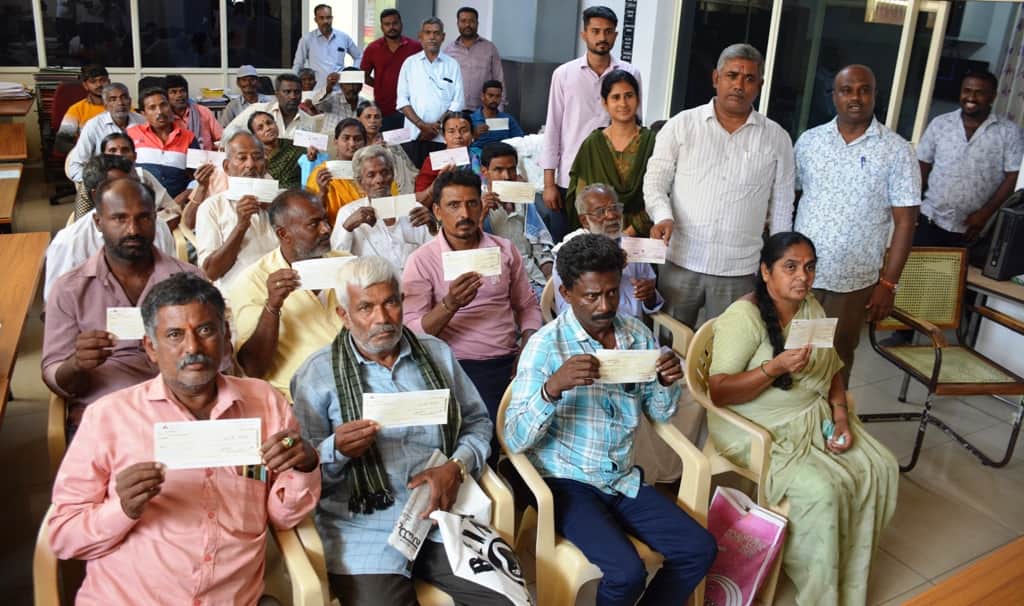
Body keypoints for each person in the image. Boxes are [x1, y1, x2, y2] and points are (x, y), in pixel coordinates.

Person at [48, 272, 321, 605]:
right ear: (151, 347)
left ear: (226, 335)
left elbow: (283, 516)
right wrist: (122, 509)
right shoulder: (109, 417)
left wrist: (304, 466)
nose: (192, 348)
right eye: (175, 335)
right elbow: (63, 535)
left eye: (205, 330)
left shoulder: (263, 402)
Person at [505, 233, 716, 606]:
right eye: (591, 296)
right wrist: (552, 389)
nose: (605, 306)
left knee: (699, 549)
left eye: (613, 293)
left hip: (620, 477)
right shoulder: (546, 346)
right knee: (626, 573)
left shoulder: (635, 335)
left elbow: (659, 413)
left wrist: (665, 383)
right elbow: (514, 438)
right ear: (566, 293)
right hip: (567, 480)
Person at [291, 255, 504, 606]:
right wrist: (335, 450)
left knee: (508, 599)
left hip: (441, 512)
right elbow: (304, 478)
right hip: (363, 525)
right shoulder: (317, 374)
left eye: (390, 303)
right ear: (344, 315)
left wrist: (456, 467)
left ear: (403, 302)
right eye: (365, 307)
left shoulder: (436, 354)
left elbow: (477, 422)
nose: (382, 318)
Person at [707, 231, 898, 606]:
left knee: (881, 466)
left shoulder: (810, 306)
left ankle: (846, 572)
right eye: (790, 267)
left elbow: (832, 367)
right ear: (766, 271)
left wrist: (840, 414)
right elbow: (719, 392)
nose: (802, 277)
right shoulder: (743, 317)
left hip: (812, 415)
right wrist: (774, 368)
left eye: (809, 268)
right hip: (755, 428)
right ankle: (820, 593)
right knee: (823, 491)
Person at [643, 43, 794, 329]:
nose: (739, 85)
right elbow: (655, 181)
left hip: (739, 269)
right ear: (716, 78)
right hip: (682, 260)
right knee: (669, 343)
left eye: (749, 79)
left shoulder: (777, 138)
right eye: (732, 75)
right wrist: (662, 215)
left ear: (760, 85)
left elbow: (783, 204)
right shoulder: (681, 125)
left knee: (727, 346)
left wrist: (776, 261)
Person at [41, 178, 208, 430]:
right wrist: (76, 364)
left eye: (143, 218)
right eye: (119, 218)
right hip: (111, 419)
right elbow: (54, 374)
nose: (133, 230)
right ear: (98, 222)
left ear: (155, 219)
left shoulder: (192, 281)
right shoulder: (69, 290)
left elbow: (220, 361)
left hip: (185, 414)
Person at [793, 64, 920, 386]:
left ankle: (830, 416)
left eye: (864, 90)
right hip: (801, 275)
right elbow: (789, 199)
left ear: (875, 95)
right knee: (793, 354)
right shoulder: (809, 142)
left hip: (852, 283)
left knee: (835, 360)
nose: (855, 97)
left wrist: (888, 284)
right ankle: (790, 415)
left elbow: (906, 223)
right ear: (834, 95)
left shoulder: (897, 151)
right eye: (846, 90)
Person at [402, 168, 542, 430]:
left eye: (472, 204)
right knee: (493, 425)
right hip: (457, 365)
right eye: (453, 205)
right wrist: (449, 305)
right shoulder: (421, 261)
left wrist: (529, 345)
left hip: (511, 358)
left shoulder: (504, 249)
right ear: (437, 211)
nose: (464, 214)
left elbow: (527, 305)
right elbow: (411, 331)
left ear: (481, 206)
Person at [229, 190, 343, 401]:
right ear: (283, 234)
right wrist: (272, 306)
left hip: (360, 384)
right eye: (314, 224)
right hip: (300, 399)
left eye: (325, 220)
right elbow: (253, 369)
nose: (326, 229)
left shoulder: (346, 263)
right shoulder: (252, 281)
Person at [541, 6, 641, 242]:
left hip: (615, 178)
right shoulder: (564, 74)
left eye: (608, 31)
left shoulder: (630, 73)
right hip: (570, 178)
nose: (602, 37)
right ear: (584, 34)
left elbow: (635, 123)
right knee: (570, 245)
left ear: (616, 35)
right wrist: (549, 183)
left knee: (612, 246)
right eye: (595, 31)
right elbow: (553, 128)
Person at [44, 154, 177, 302]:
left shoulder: (158, 226)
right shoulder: (68, 243)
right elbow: (56, 304)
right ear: (96, 195)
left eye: (135, 184)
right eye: (119, 188)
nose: (131, 193)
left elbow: (172, 281)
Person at [917, 71, 1024, 246]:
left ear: (992, 96)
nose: (971, 97)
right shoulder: (940, 124)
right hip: (930, 218)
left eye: (979, 92)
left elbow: (1013, 177)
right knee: (917, 264)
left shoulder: (1009, 132)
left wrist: (985, 214)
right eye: (966, 90)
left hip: (973, 228)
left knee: (961, 265)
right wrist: (913, 206)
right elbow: (922, 165)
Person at [553, 184, 662, 319]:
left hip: (633, 327)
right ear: (584, 220)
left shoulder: (633, 246)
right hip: (589, 326)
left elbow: (652, 304)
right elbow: (565, 309)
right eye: (600, 211)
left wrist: (649, 296)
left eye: (615, 208)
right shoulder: (569, 252)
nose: (611, 216)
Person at [566, 70, 654, 235]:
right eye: (616, 97)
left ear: (638, 99)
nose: (623, 103)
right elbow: (581, 197)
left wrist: (630, 232)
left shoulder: (653, 143)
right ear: (605, 103)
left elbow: (662, 193)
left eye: (629, 96)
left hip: (643, 235)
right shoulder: (593, 144)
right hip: (598, 234)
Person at [195, 131, 279, 290]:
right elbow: (211, 272)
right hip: (237, 293)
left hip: (284, 289)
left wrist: (275, 212)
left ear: (266, 165)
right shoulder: (212, 207)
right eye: (242, 158)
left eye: (257, 157)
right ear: (227, 167)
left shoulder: (283, 201)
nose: (250, 165)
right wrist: (241, 226)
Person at [331, 145, 434, 270]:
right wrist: (347, 227)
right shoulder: (348, 213)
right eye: (371, 175)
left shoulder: (414, 208)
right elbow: (337, 263)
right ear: (360, 182)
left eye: (384, 173)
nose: (379, 179)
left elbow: (434, 255)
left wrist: (433, 228)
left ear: (393, 175)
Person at [479, 141, 553, 299]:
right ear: (484, 172)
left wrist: (551, 281)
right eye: (498, 170)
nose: (507, 177)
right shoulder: (475, 204)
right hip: (499, 285)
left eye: (511, 169)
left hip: (533, 279)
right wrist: (481, 214)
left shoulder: (523, 200)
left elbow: (540, 247)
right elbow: (469, 250)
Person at [396, 17, 464, 167]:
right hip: (414, 135)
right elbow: (402, 100)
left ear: (443, 37)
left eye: (436, 33)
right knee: (414, 176)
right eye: (428, 33)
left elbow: (457, 102)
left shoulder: (452, 65)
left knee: (442, 176)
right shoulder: (409, 63)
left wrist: (437, 126)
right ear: (420, 36)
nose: (432, 37)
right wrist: (421, 125)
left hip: (443, 138)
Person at [306, 118, 384, 225]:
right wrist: (322, 192)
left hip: (374, 229)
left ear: (365, 143)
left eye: (357, 139)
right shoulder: (322, 173)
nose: (352, 144)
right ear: (336, 142)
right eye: (346, 138)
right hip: (336, 230)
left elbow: (389, 203)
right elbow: (310, 215)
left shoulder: (376, 171)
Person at [65, 83, 145, 185]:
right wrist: (97, 182)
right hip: (106, 182)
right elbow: (74, 167)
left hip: (138, 180)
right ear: (106, 106)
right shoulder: (94, 125)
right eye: (113, 99)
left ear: (130, 101)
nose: (120, 103)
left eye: (124, 97)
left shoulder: (142, 121)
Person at [126, 87, 199, 198]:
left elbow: (197, 177)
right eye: (152, 108)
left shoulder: (188, 137)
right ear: (143, 114)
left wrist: (182, 198)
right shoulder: (131, 134)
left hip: (178, 202)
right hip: (141, 201)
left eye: (163, 105)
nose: (159, 111)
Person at [360, 8, 422, 131]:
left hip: (411, 110)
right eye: (387, 24)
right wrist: (379, 85)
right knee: (385, 142)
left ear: (401, 24)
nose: (391, 27)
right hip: (383, 110)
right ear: (382, 27)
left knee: (409, 143)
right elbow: (363, 75)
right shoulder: (373, 48)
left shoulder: (416, 47)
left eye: (395, 23)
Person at [442, 6, 505, 112]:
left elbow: (499, 78)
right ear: (458, 24)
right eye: (463, 21)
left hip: (483, 110)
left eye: (471, 21)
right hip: (456, 110)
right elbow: (443, 82)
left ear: (477, 23)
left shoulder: (489, 48)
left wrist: (500, 108)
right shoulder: (448, 50)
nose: (467, 24)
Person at [225, 73, 322, 141]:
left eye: (297, 92)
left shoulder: (309, 121)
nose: (293, 96)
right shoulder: (257, 109)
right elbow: (228, 133)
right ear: (277, 94)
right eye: (287, 92)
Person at [414, 111, 478, 207]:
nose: (458, 136)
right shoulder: (434, 161)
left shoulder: (481, 156)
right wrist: (438, 183)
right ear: (444, 136)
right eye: (451, 131)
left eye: (464, 131)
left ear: (472, 134)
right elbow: (419, 202)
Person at [292, 3, 362, 89]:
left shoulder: (343, 38)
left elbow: (359, 57)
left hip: (340, 90)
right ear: (316, 20)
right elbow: (298, 64)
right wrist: (294, 86)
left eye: (328, 18)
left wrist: (347, 75)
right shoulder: (307, 39)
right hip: (317, 91)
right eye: (321, 18)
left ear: (332, 18)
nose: (325, 21)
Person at [358, 100, 418, 194]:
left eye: (377, 117)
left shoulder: (391, 143)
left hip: (397, 189)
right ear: (359, 120)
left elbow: (409, 171)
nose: (373, 121)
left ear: (381, 121)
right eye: (368, 117)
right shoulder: (356, 144)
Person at [55, 64, 110, 153]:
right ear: (85, 85)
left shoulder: (121, 106)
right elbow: (61, 143)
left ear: (109, 82)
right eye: (93, 81)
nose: (99, 85)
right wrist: (84, 153)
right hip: (88, 156)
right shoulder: (76, 109)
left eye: (102, 80)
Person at [165, 74, 223, 150]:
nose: (179, 95)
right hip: (177, 156)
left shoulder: (203, 111)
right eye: (173, 92)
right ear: (165, 96)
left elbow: (221, 137)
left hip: (205, 155)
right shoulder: (165, 118)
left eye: (182, 91)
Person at [249, 110, 304, 190]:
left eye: (269, 123)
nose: (267, 128)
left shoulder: (296, 147)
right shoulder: (252, 157)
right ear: (254, 136)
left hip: (295, 193)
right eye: (260, 128)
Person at [469, 80, 525, 152]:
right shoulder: (470, 119)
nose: (494, 99)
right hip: (478, 156)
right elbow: (460, 145)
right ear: (482, 96)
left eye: (498, 96)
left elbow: (520, 140)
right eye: (490, 95)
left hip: (503, 155)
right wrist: (473, 135)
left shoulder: (508, 119)